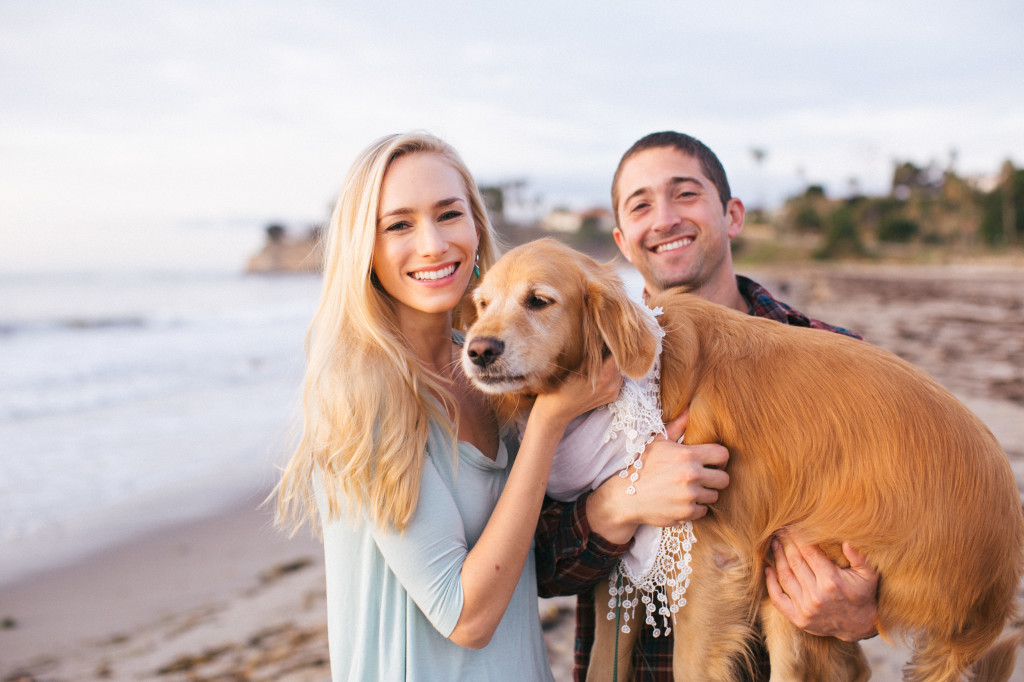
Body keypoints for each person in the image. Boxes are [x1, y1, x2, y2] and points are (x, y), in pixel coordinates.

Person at [274, 132, 622, 681]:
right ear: (363, 248)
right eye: (399, 225)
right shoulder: (363, 393)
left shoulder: (495, 367)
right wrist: (550, 421)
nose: (433, 244)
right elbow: (465, 617)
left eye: (448, 214)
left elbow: (540, 542)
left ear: (477, 228)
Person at [535, 131, 880, 680]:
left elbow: (897, 520)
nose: (665, 217)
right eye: (642, 204)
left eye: (686, 194)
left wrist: (867, 609)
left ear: (733, 215)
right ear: (624, 241)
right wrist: (621, 502)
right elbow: (533, 567)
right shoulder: (579, 368)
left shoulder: (838, 358)